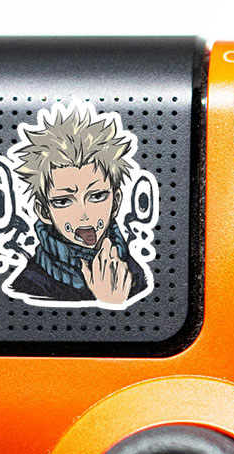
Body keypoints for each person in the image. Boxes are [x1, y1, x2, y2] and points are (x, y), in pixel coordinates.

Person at [8, 105, 149, 307]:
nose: (84, 215)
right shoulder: (30, 284)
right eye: (63, 201)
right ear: (44, 211)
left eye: (97, 196)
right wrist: (108, 304)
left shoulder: (136, 274)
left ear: (116, 202)